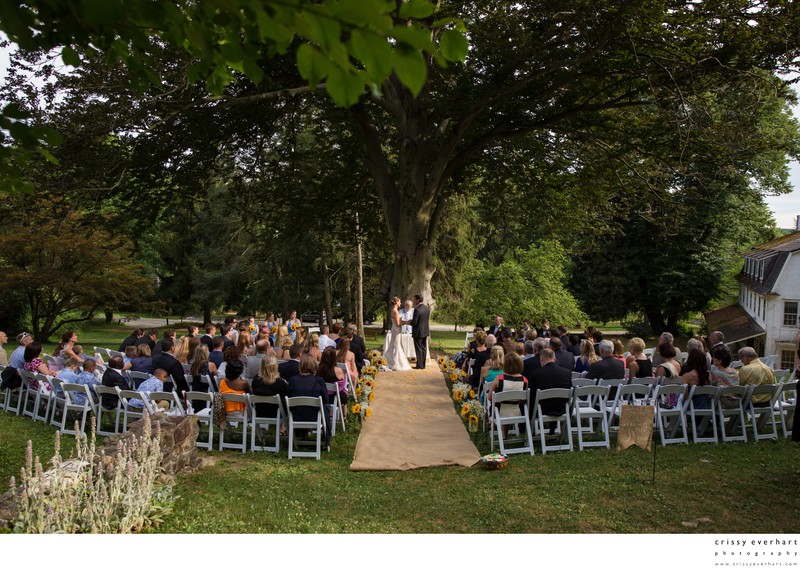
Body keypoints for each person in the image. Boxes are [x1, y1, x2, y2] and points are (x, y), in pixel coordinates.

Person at [287, 354, 331, 449]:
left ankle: (303, 434)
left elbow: (289, 396)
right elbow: (326, 399)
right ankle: (325, 436)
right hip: (315, 416)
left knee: (302, 407)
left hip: (297, 416)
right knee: (325, 406)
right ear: (314, 366)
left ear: (300, 366)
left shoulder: (292, 380)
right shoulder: (318, 380)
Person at [529, 348, 572, 422]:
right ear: (554, 359)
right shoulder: (567, 372)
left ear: (541, 359)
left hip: (542, 409)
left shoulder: (535, 374)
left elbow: (532, 395)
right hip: (562, 409)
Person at [251, 354, 289, 421]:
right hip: (277, 413)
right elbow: (287, 396)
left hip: (259, 412)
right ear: (275, 366)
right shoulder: (281, 383)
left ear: (262, 366)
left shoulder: (256, 380)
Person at [384, 296, 412, 371]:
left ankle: (390, 360)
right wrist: (407, 322)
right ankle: (395, 362)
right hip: (396, 329)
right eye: (399, 302)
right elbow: (398, 324)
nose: (400, 303)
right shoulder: (396, 311)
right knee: (396, 345)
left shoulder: (393, 310)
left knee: (394, 344)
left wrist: (405, 321)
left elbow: (398, 321)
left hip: (394, 328)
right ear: (396, 302)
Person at [318, 346, 348, 411]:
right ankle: (345, 414)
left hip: (321, 397)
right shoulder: (338, 370)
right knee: (343, 393)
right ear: (334, 357)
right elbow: (342, 384)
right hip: (335, 398)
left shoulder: (318, 370)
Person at [409, 293, 430, 369]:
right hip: (425, 331)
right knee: (424, 348)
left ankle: (419, 365)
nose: (414, 301)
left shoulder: (417, 309)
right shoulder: (426, 308)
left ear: (418, 300)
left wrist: (410, 322)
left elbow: (415, 322)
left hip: (418, 332)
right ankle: (423, 365)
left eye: (415, 299)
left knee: (418, 349)